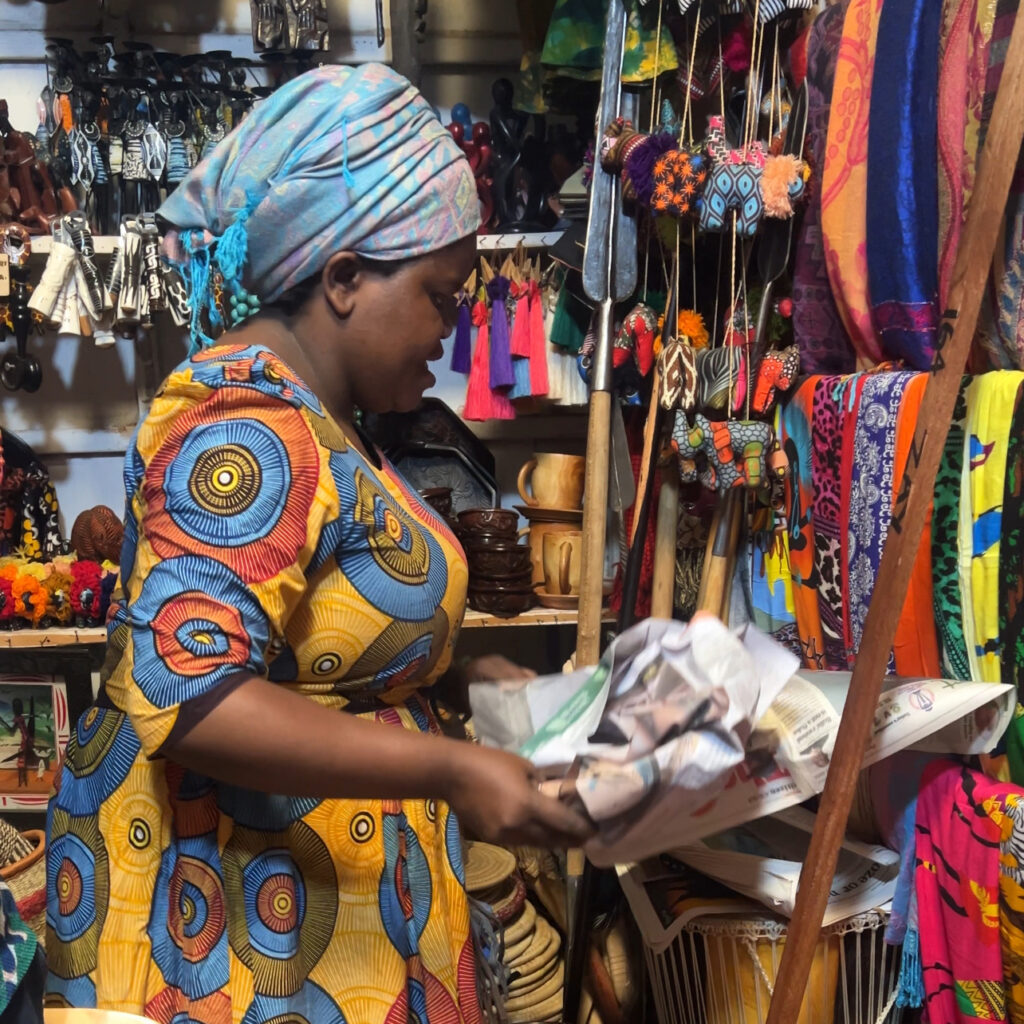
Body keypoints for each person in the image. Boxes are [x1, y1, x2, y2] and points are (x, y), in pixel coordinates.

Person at [44, 63, 591, 1023]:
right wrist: (453, 770)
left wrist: (460, 683)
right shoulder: (246, 427)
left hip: (314, 915)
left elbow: (315, 642)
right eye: (441, 295)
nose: (453, 327)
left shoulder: (327, 422)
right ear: (344, 279)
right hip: (243, 942)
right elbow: (191, 697)